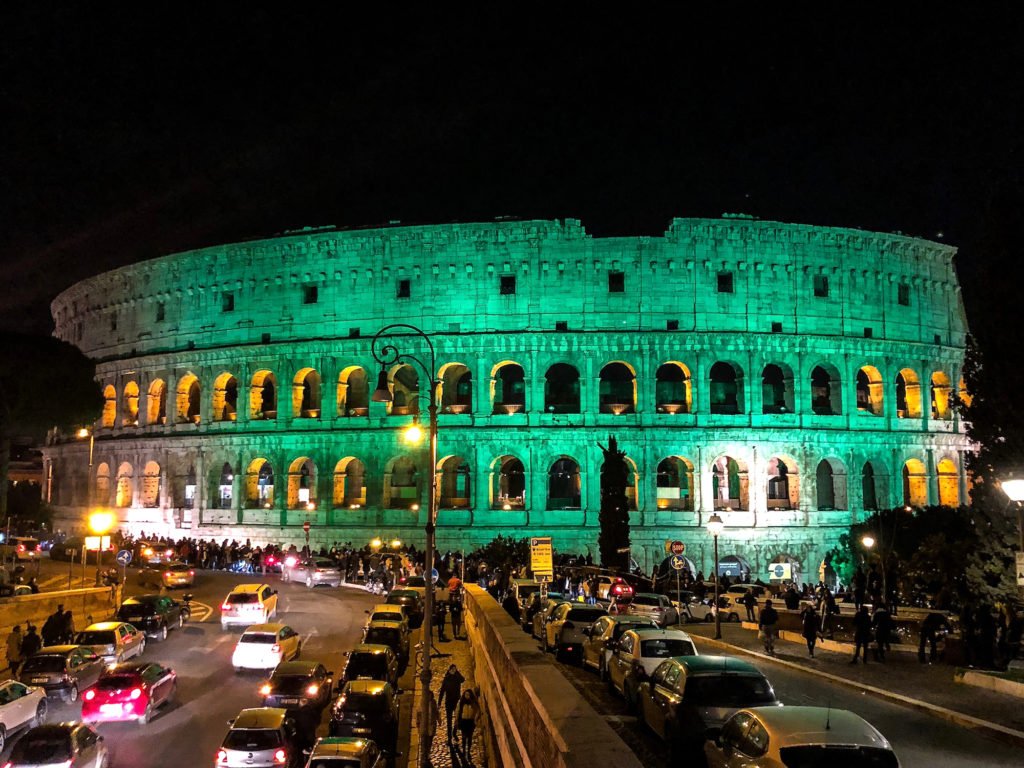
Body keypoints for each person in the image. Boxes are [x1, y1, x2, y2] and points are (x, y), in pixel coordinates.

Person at [437, 664, 466, 742]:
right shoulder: (446, 679)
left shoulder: (457, 678)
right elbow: (442, 691)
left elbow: (463, 679)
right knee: (449, 720)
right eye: (452, 670)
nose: (453, 671)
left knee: (457, 718)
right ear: (449, 670)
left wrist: (457, 673)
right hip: (448, 702)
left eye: (455, 670)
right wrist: (439, 702)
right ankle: (449, 737)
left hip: (456, 701)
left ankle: (454, 732)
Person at [457, 688, 479, 755]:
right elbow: (458, 711)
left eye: (468, 695)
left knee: (469, 737)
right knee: (464, 737)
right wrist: (457, 720)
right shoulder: (462, 703)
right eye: (466, 694)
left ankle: (468, 750)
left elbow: (477, 711)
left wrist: (475, 719)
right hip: (463, 721)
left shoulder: (473, 703)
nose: (467, 696)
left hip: (471, 722)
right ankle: (463, 750)